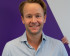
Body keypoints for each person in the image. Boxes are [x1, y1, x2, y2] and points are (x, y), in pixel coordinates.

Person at [2, 0, 68, 56]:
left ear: (44, 18)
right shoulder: (10, 48)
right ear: (23, 19)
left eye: (38, 16)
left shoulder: (58, 47)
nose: (33, 21)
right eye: (29, 16)